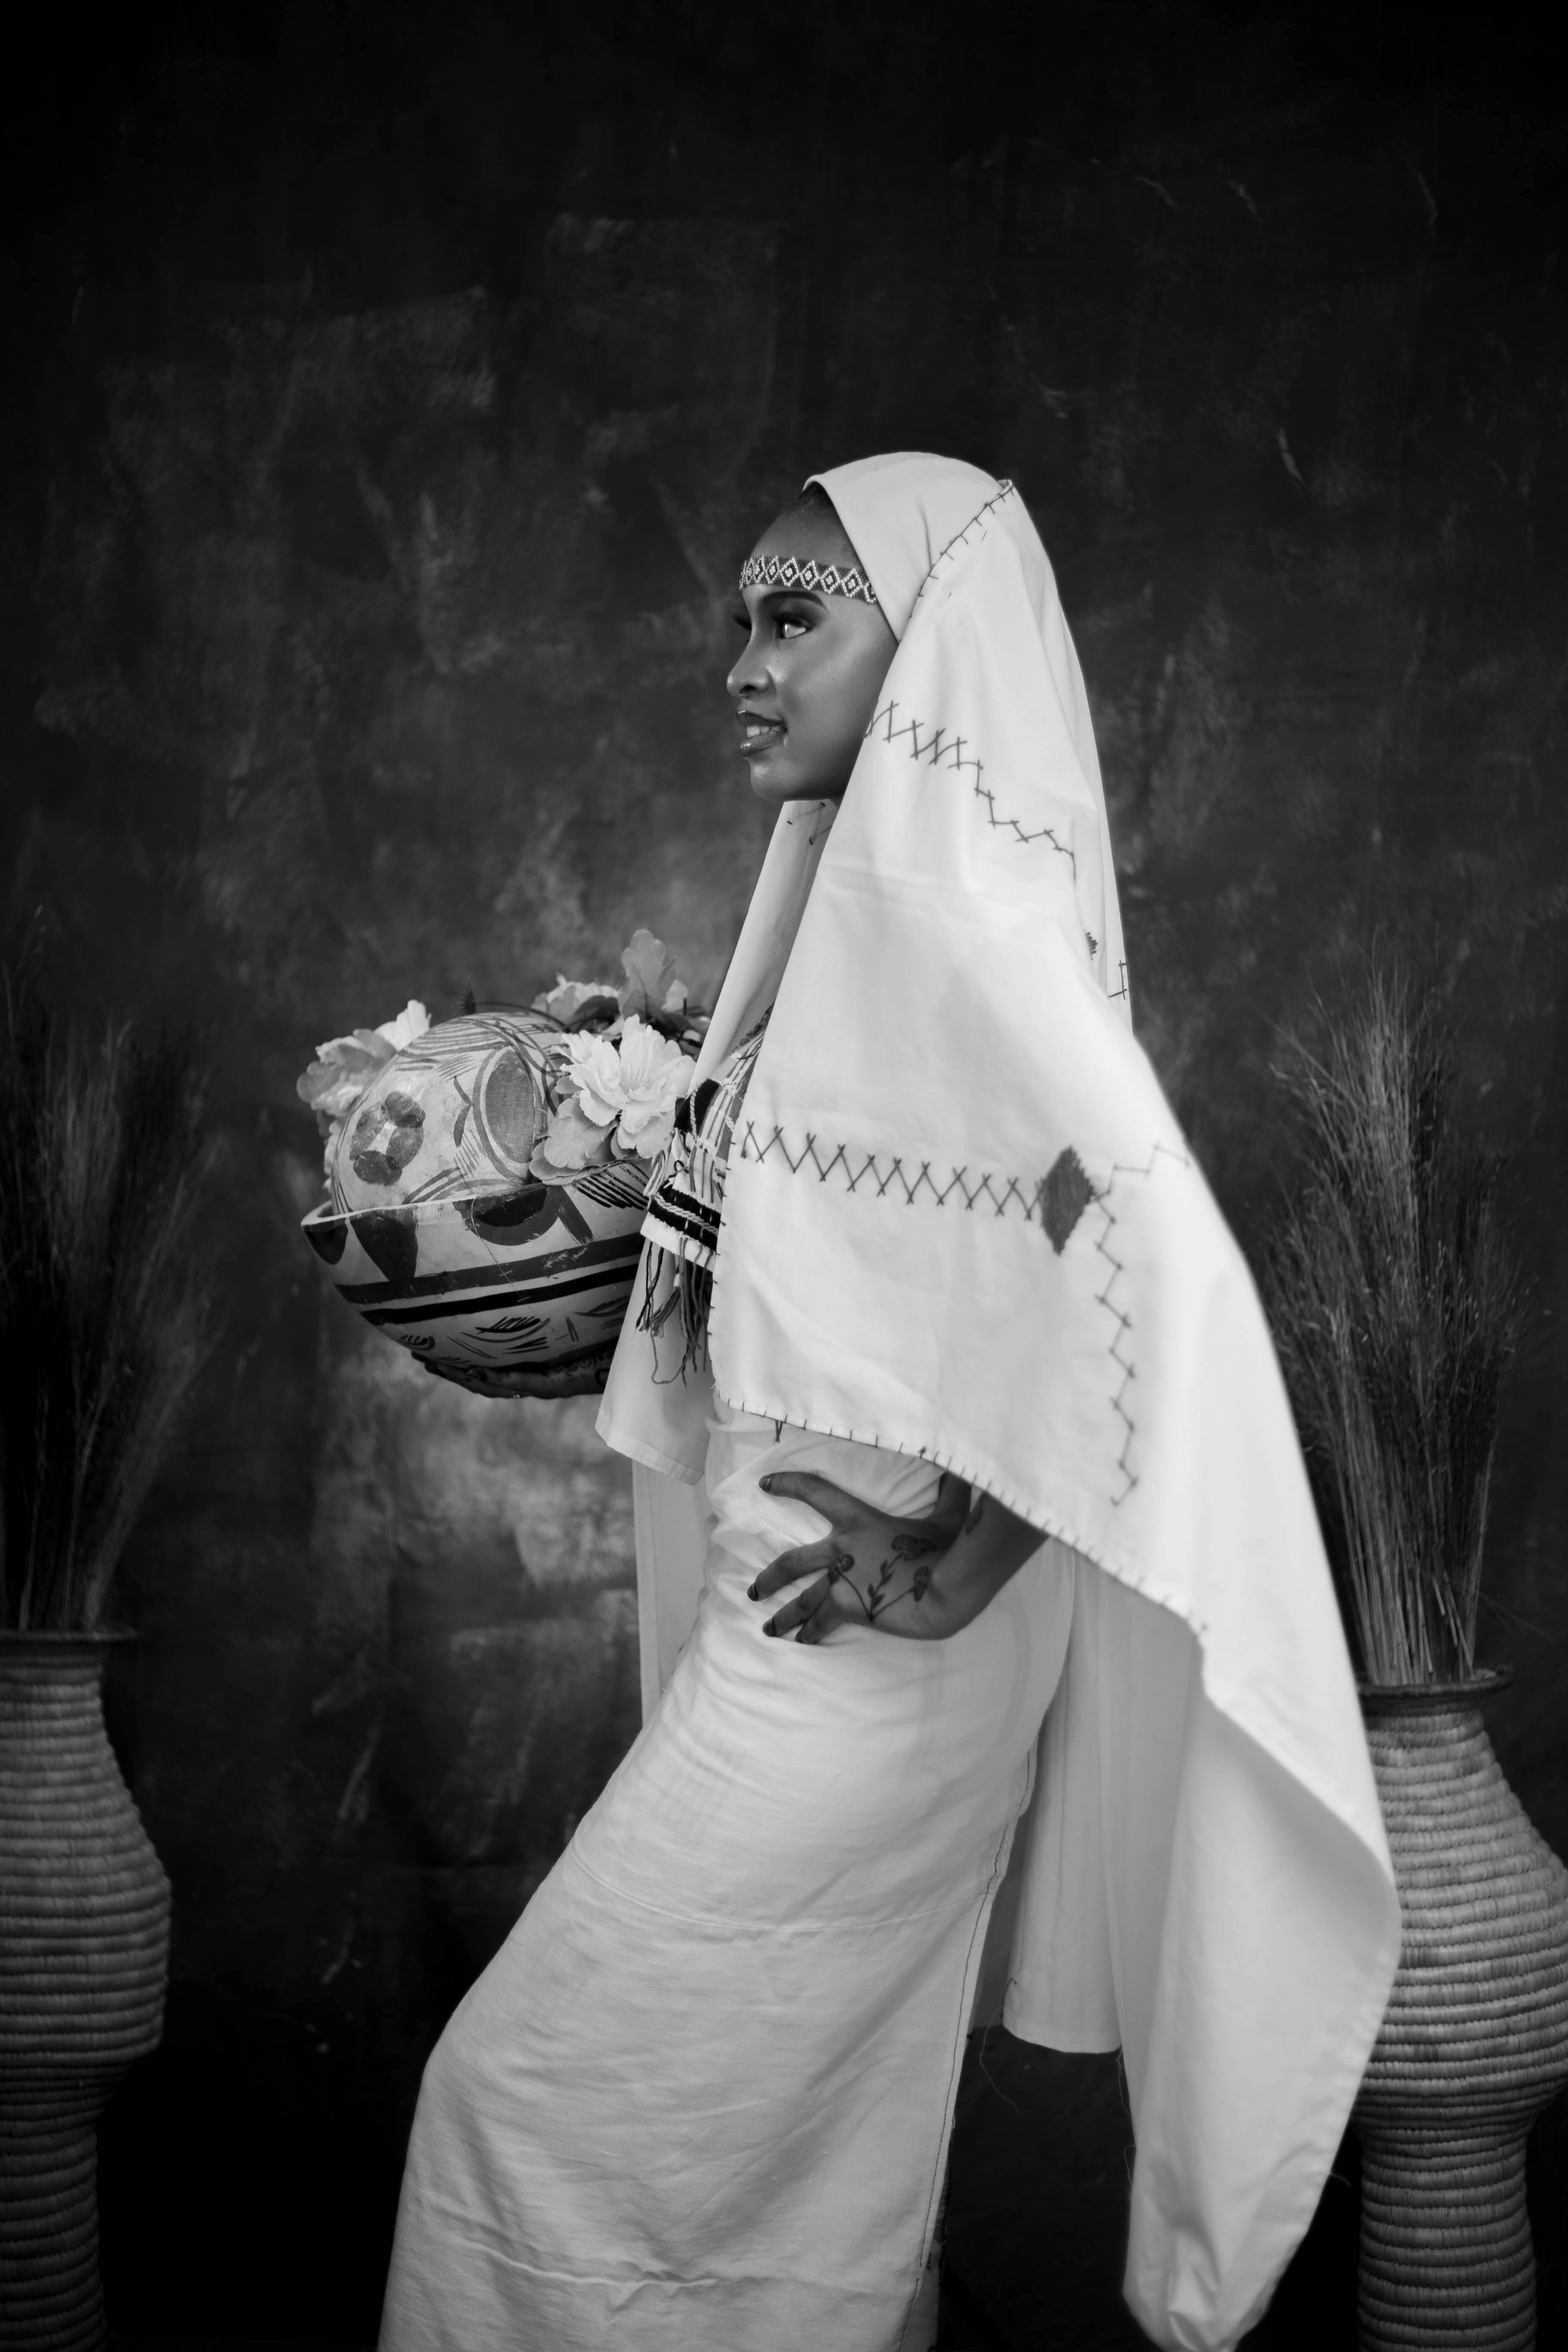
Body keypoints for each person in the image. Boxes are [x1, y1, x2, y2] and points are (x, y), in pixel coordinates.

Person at [380, 455, 1400, 2352]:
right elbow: (871, 1234)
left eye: (796, 619)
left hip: (866, 1638)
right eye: (742, 624)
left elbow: (1125, 1240)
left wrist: (967, 1542)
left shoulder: (966, 929)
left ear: (922, 646)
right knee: (815, 2141)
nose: (744, 669)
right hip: (806, 1603)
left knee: (518, 2097)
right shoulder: (850, 909)